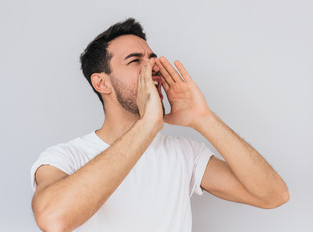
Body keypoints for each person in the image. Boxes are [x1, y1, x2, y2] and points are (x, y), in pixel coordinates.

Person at [30, 18, 289, 232]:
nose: (151, 68)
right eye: (135, 61)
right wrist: (147, 125)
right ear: (102, 83)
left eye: (151, 59)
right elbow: (54, 219)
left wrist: (203, 118)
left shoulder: (184, 154)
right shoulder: (64, 157)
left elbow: (273, 195)